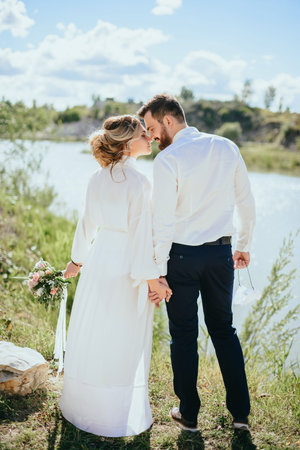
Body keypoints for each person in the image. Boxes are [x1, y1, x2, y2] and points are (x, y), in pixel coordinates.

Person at [138, 94, 256, 432]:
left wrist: (158, 271)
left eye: (151, 128)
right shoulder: (226, 147)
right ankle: (240, 415)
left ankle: (188, 414)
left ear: (169, 120)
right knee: (224, 330)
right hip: (221, 255)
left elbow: (162, 222)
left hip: (181, 258)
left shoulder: (167, 159)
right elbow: (246, 202)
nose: (151, 137)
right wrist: (243, 244)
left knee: (184, 335)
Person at [59, 115, 172, 437]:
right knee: (122, 335)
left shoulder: (97, 176)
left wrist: (76, 261)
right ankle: (112, 413)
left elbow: (86, 223)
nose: (149, 138)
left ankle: (84, 405)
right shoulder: (139, 182)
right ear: (126, 142)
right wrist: (153, 280)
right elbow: (140, 235)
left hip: (99, 260)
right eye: (142, 134)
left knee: (95, 330)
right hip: (125, 265)